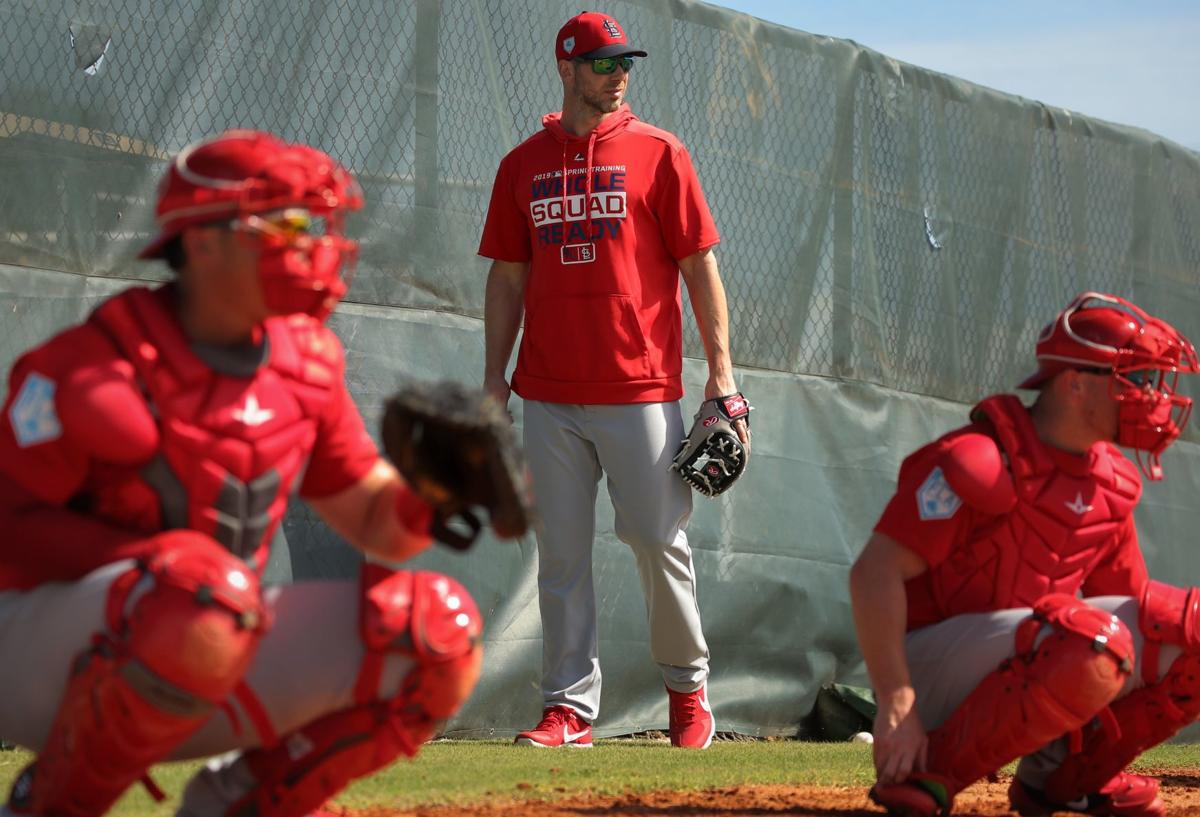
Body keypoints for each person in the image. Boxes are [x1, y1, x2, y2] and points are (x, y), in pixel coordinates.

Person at [0, 129, 485, 815]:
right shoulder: (93, 365)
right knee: (201, 592)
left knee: (436, 633)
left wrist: (432, 490)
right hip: (34, 656)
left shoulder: (305, 361)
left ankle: (236, 805)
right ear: (202, 241)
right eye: (287, 223)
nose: (312, 243)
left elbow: (378, 523)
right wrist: (157, 560)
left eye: (314, 224)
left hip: (202, 629)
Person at [478, 11, 747, 749]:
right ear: (566, 68)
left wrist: (721, 379)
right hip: (550, 395)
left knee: (659, 541)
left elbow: (701, 266)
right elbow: (507, 278)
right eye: (602, 62)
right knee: (561, 554)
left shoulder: (661, 153)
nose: (617, 72)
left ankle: (688, 693)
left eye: (622, 60)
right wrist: (494, 379)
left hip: (641, 387)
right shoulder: (521, 164)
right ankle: (568, 708)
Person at [850, 292, 1200, 817]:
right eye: (1132, 379)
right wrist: (897, 702)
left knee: (1185, 631)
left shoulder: (1113, 483)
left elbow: (1133, 616)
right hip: (924, 672)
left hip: (1036, 654)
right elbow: (873, 575)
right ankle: (932, 771)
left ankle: (1069, 777)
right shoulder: (981, 458)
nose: (1149, 397)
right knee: (1089, 636)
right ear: (1075, 382)